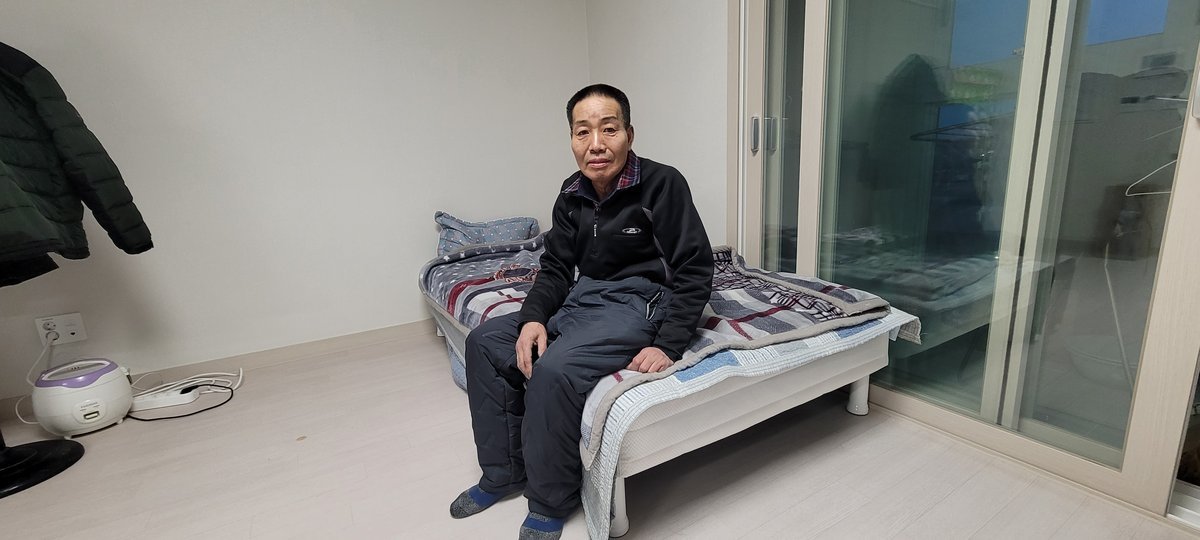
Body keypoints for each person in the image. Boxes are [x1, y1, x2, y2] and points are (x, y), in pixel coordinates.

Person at [449, 84, 714, 539]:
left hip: (639, 301)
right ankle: (503, 472)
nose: (596, 144)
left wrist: (669, 344)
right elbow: (555, 266)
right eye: (582, 132)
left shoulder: (662, 184)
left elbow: (694, 266)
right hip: (583, 297)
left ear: (629, 134)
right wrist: (533, 318)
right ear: (571, 139)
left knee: (554, 370)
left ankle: (550, 501)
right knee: (485, 343)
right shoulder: (571, 193)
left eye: (609, 129)